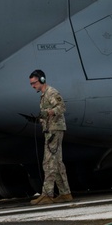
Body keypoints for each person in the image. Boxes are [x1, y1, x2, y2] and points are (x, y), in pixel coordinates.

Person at [29, 70, 73, 205]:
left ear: (42, 80)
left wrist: (49, 112)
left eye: (34, 83)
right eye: (31, 84)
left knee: (49, 162)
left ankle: (47, 194)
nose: (33, 86)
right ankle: (65, 193)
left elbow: (61, 106)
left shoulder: (51, 92)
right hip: (50, 129)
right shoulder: (44, 95)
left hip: (55, 130)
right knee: (58, 163)